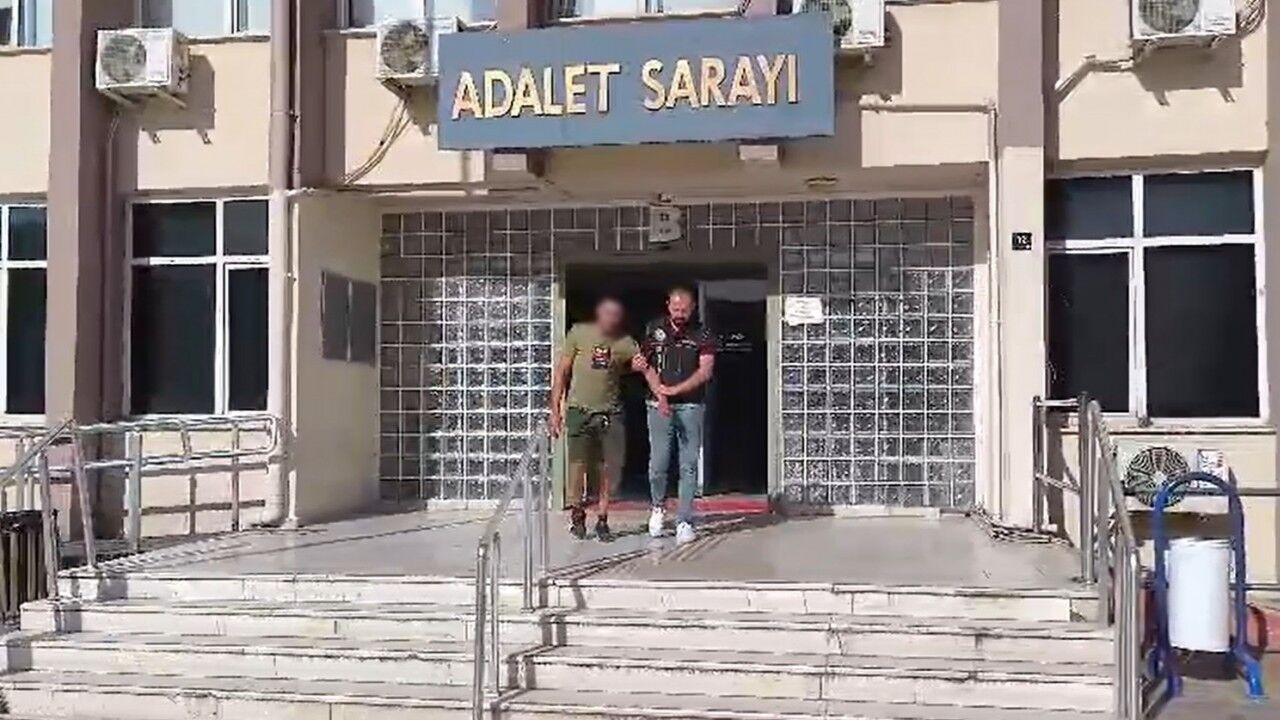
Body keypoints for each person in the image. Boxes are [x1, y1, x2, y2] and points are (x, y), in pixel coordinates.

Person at [550, 297, 639, 542]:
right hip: (579, 410)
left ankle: (602, 519)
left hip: (610, 412)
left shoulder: (624, 341)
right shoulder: (579, 333)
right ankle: (577, 514)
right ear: (599, 316)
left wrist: (641, 370)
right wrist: (555, 410)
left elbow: (640, 364)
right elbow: (562, 372)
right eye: (607, 315)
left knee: (608, 467)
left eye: (616, 316)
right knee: (577, 466)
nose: (611, 320)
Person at [636, 287, 716, 545]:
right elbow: (644, 365)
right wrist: (662, 396)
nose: (679, 314)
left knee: (689, 463)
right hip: (657, 405)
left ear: (693, 309)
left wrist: (675, 391)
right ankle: (658, 507)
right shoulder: (654, 329)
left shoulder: (702, 333)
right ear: (668, 305)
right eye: (675, 309)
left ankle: (685, 520)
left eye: (684, 310)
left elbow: (705, 371)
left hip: (691, 405)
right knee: (658, 462)